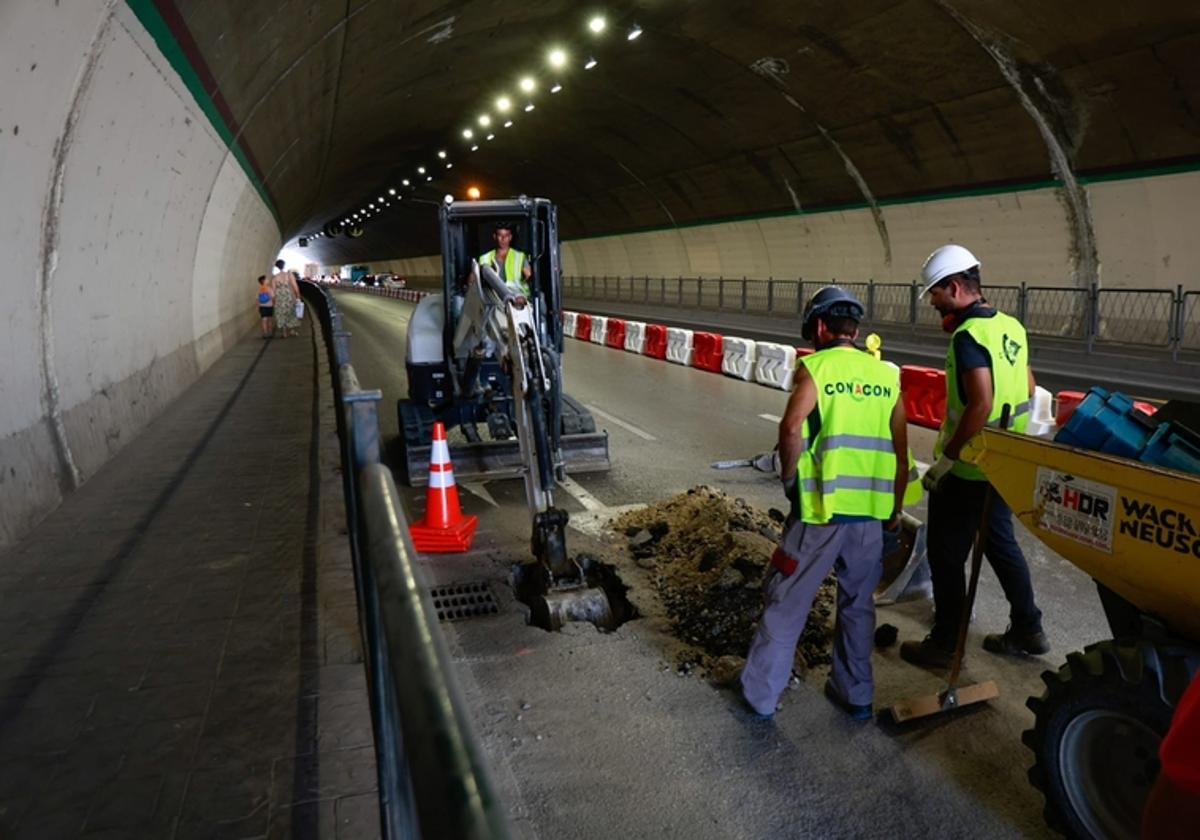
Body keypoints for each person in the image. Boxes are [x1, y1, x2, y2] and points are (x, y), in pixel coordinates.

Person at [740, 286, 909, 722]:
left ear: (818, 326)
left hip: (820, 512)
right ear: (855, 330)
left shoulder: (815, 368)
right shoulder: (886, 376)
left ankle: (760, 697)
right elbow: (901, 452)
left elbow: (792, 427)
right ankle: (855, 694)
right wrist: (892, 510)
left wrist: (789, 477)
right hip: (869, 518)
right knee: (858, 605)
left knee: (787, 601)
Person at [900, 244, 1048, 669]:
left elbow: (979, 401)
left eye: (935, 293)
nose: (932, 302)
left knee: (946, 556)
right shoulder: (1011, 327)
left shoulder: (968, 337)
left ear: (954, 287)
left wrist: (949, 453)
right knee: (1001, 544)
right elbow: (1029, 386)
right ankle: (1028, 627)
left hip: (969, 467)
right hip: (1003, 461)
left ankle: (946, 642)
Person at [478, 222, 532, 305]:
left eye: (506, 236)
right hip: (492, 298)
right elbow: (472, 282)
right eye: (500, 235)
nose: (503, 239)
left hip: (517, 296)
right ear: (495, 237)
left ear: (510, 237)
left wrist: (528, 275)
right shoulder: (484, 258)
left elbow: (529, 276)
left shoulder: (520, 256)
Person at [271, 259, 301, 338]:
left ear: (277, 267)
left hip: (279, 298)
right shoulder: (289, 275)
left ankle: (284, 333)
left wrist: (273, 301)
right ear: (284, 266)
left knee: (281, 314)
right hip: (289, 297)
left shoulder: (275, 278)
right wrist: (298, 296)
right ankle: (292, 331)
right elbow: (295, 287)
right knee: (291, 313)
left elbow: (273, 292)